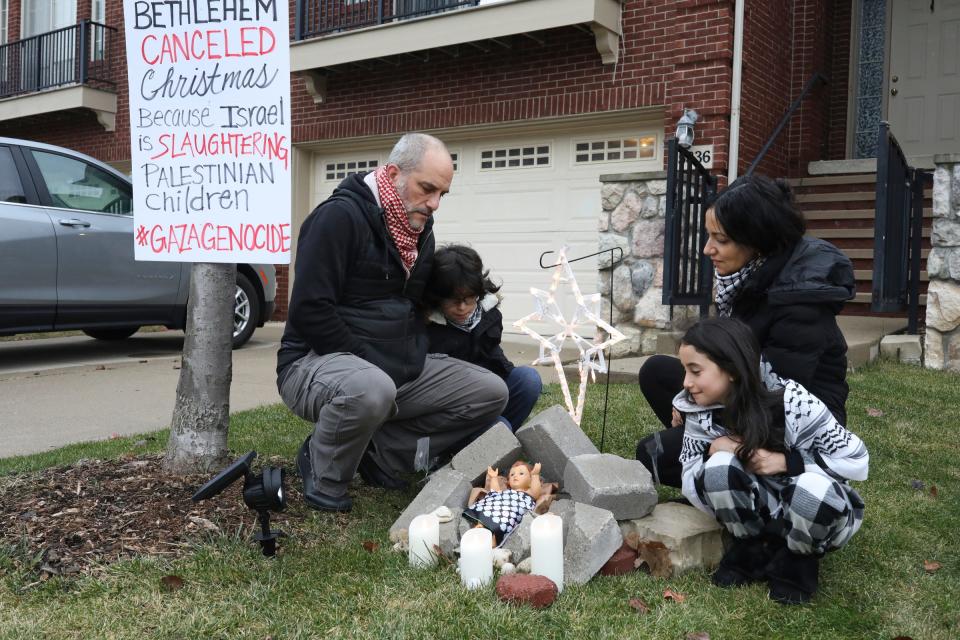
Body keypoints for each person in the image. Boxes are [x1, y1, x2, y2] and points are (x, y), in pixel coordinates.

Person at [277, 133, 508, 513]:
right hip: (313, 361)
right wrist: (377, 362)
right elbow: (310, 311)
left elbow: (413, 306)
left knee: (489, 392)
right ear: (395, 173)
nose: (433, 203)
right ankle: (323, 470)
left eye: (441, 195)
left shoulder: (418, 230)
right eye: (427, 188)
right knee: (373, 388)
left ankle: (380, 454)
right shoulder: (338, 218)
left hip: (389, 365)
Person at [636, 174, 855, 487]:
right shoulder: (750, 276)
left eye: (721, 240)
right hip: (749, 395)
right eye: (709, 236)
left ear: (758, 241)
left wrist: (705, 423)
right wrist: (689, 398)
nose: (707, 249)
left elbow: (778, 398)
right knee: (657, 372)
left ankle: (750, 487)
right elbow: (726, 361)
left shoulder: (799, 302)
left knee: (653, 454)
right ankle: (717, 473)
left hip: (793, 428)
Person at [675, 317, 868, 604]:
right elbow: (692, 477)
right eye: (685, 371)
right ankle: (750, 548)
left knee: (813, 488)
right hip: (761, 505)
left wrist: (786, 462)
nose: (686, 382)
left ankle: (797, 561)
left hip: (812, 508)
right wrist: (716, 449)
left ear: (731, 370)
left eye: (695, 371)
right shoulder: (700, 413)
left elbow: (856, 459)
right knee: (717, 468)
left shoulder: (794, 402)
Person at [423, 244, 543, 431]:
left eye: (468, 299)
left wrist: (504, 375)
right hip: (456, 403)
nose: (462, 307)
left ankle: (502, 438)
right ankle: (476, 442)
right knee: (499, 426)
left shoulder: (489, 314)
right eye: (453, 301)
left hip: (490, 389)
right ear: (438, 297)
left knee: (528, 379)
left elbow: (493, 352)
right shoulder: (429, 327)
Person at [462, 460, 543, 546]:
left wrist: (535, 475)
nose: (515, 476)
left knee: (503, 521)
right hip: (497, 506)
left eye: (521, 473)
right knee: (489, 507)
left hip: (511, 511)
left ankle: (493, 538)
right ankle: (480, 525)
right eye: (512, 474)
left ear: (530, 480)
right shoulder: (507, 491)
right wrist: (493, 478)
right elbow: (496, 492)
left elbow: (536, 491)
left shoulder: (528, 493)